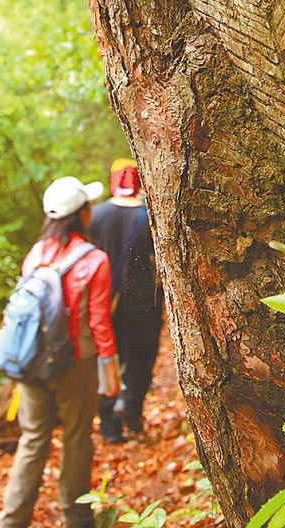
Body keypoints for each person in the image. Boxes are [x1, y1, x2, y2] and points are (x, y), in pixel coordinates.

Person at [0, 176, 120, 528]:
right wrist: (109, 367)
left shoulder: (35, 254)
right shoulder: (94, 259)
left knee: (33, 439)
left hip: (32, 363)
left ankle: (11, 520)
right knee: (77, 437)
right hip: (75, 363)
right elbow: (98, 320)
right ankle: (77, 516)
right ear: (82, 214)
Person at [90, 158, 163, 444]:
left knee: (108, 358)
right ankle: (131, 408)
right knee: (141, 357)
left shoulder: (95, 216)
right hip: (143, 300)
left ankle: (109, 426)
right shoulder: (149, 216)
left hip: (104, 301)